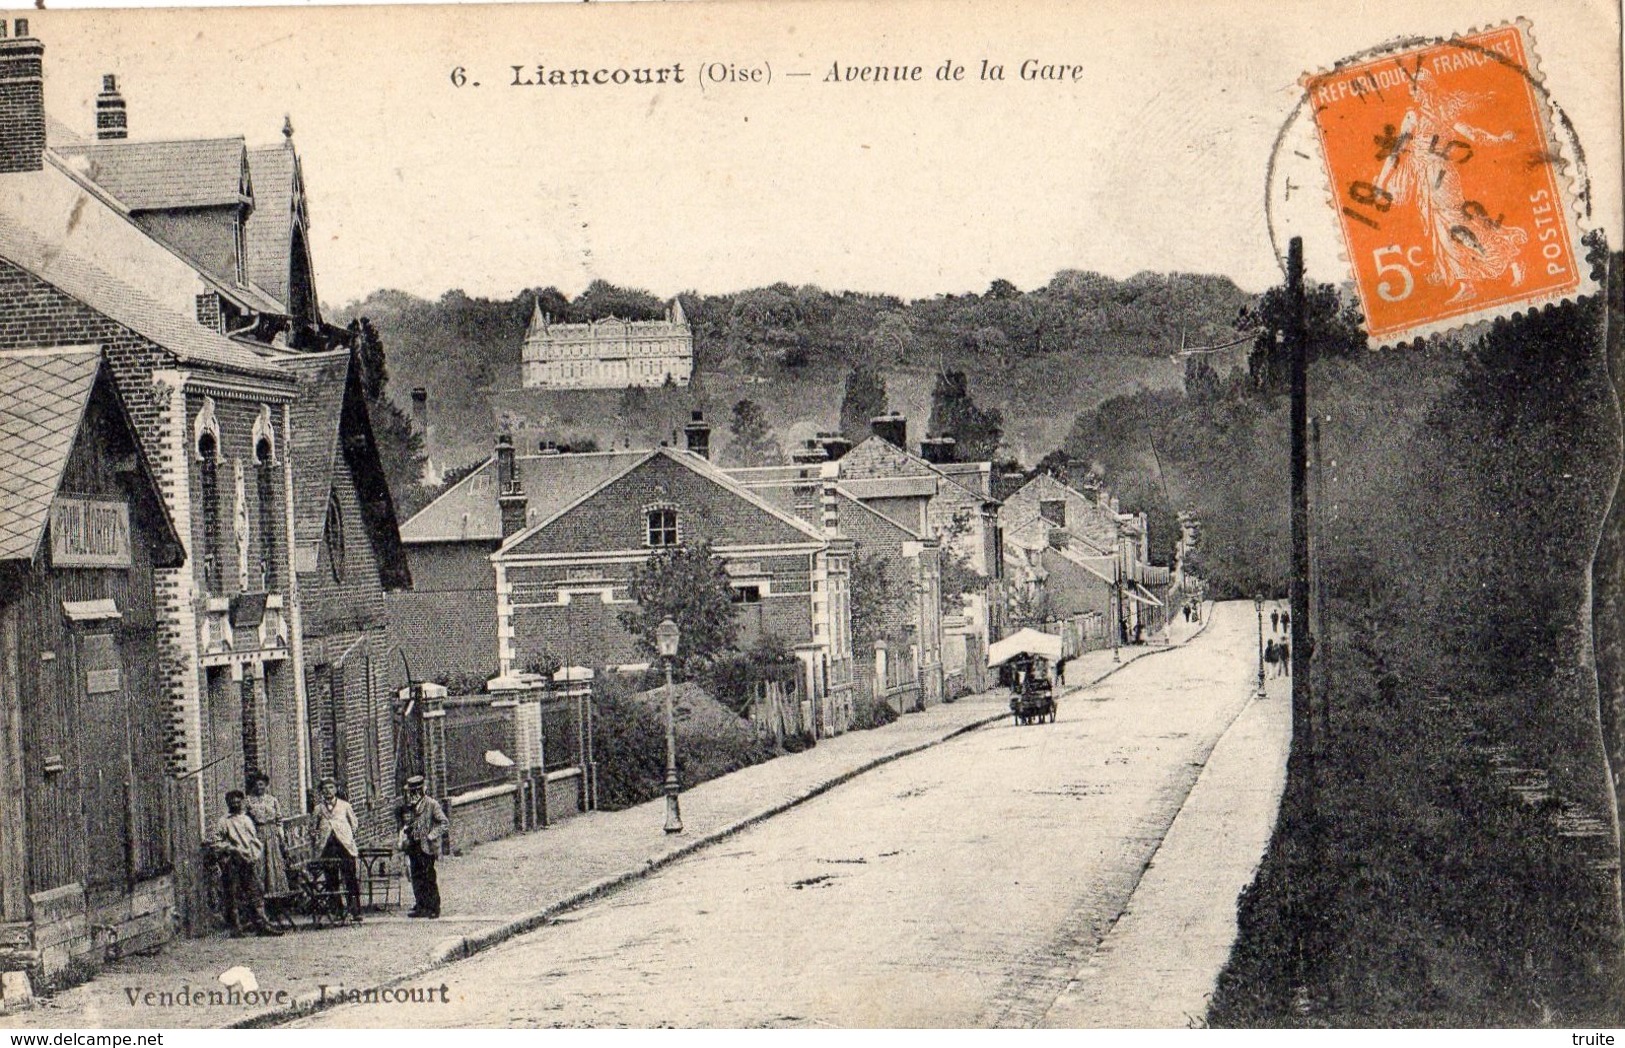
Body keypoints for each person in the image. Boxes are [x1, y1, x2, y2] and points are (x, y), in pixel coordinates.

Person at [208, 790, 281, 937]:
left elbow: (254, 840)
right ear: (227, 803)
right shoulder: (224, 821)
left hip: (248, 861)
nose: (235, 803)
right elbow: (215, 842)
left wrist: (254, 855)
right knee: (233, 894)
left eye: (238, 801)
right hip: (232, 861)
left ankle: (261, 925)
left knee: (256, 892)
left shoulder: (247, 819)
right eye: (232, 801)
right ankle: (236, 928)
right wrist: (231, 849)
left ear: (242, 802)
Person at [311, 777, 364, 924]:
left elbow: (354, 824)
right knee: (331, 879)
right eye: (325, 788)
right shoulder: (318, 809)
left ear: (336, 789)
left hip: (344, 846)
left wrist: (348, 837)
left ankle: (355, 910)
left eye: (331, 788)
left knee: (350, 877)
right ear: (321, 792)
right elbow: (312, 828)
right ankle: (337, 910)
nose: (328, 791)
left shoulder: (345, 805)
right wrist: (319, 837)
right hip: (328, 848)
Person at [396, 775, 448, 918]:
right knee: (416, 876)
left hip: (427, 846)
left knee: (428, 876)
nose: (412, 795)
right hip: (413, 845)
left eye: (414, 792)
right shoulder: (410, 807)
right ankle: (421, 905)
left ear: (420, 791)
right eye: (410, 792)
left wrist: (431, 835)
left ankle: (433, 907)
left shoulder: (432, 804)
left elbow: (444, 823)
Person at [244, 772, 289, 899]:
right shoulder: (248, 801)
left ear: (266, 785)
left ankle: (276, 898)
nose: (260, 787)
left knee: (274, 865)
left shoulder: (272, 800)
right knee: (260, 865)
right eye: (257, 785)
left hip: (272, 836)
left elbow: (279, 820)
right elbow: (245, 821)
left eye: (262, 785)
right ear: (253, 785)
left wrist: (281, 837)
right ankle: (261, 897)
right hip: (258, 836)